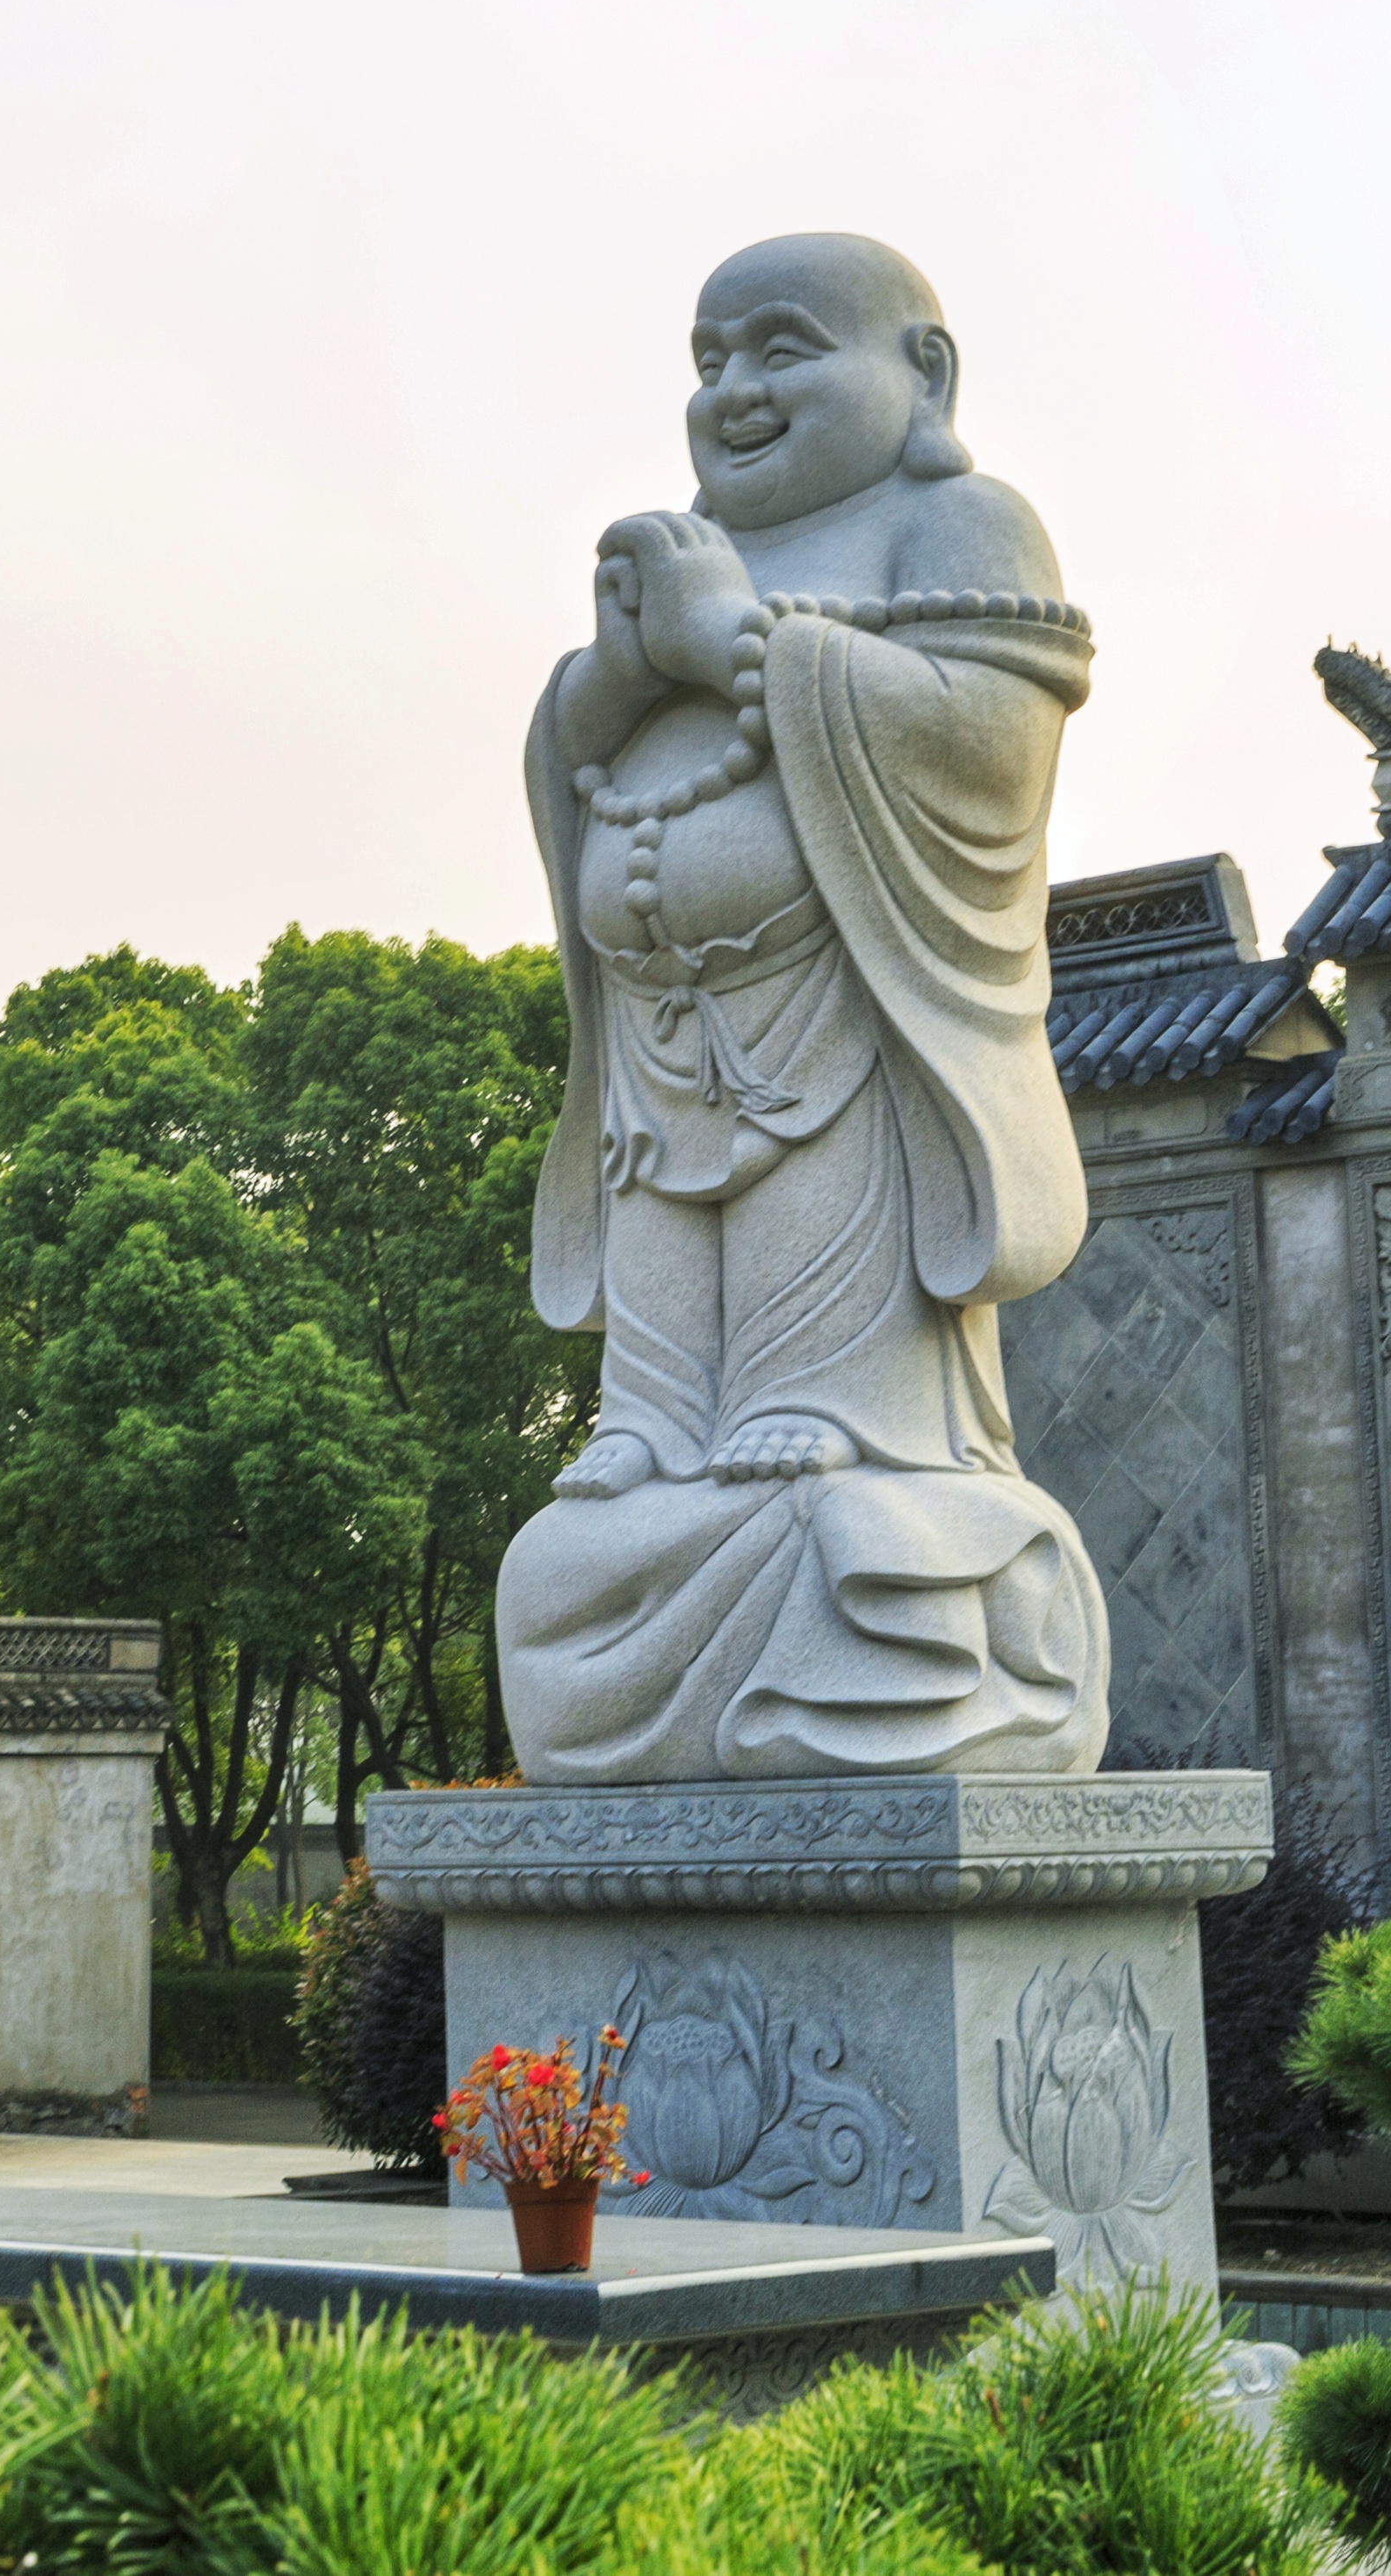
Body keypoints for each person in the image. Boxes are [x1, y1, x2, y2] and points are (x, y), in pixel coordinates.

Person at [502, 234, 1111, 1782]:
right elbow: (570, 765)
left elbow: (986, 750)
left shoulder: (954, 522)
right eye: (710, 362)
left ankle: (837, 1414)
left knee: (820, 1429)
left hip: (841, 1037)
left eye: (782, 349)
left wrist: (738, 648)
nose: (737, 392)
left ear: (924, 375)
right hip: (659, 1048)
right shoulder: (692, 543)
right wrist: (607, 684)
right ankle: (655, 1412)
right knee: (596, 1522)